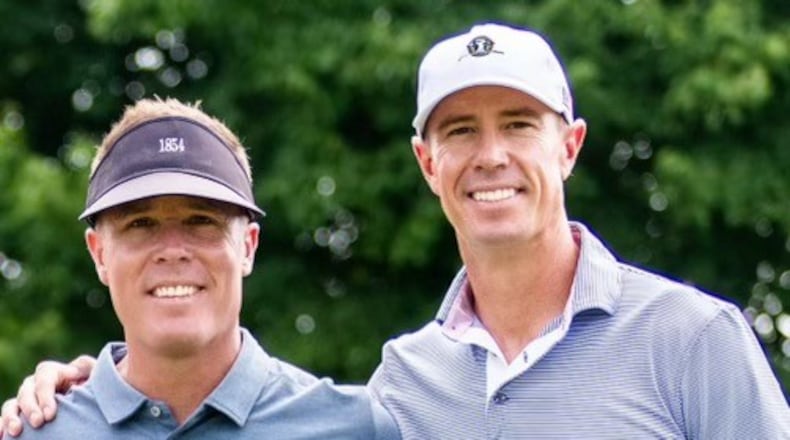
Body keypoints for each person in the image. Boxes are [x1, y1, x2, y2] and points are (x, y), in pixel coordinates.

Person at [3, 22, 790, 439]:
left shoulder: (695, 342)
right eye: (459, 132)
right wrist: (78, 389)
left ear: (570, 145)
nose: (491, 157)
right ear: (425, 160)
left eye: (518, 125)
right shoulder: (399, 392)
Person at [0, 97, 399, 439]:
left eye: (202, 221)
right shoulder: (33, 432)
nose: (173, 251)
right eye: (140, 224)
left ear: (247, 246)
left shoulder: (354, 427)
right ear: (99, 254)